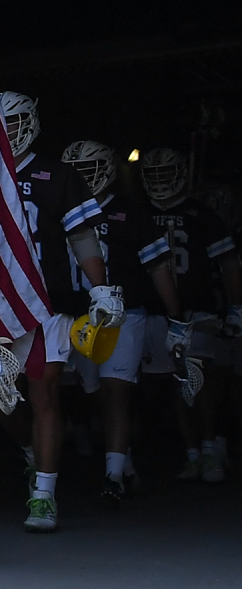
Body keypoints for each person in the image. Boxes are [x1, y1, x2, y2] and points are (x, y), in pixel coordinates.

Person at [0, 92, 123, 534]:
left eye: (13, 122)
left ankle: (44, 494)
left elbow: (83, 236)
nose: (6, 131)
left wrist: (100, 286)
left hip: (47, 299)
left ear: (29, 124)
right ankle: (33, 456)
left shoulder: (57, 175)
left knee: (44, 391)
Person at [60, 140, 181, 507]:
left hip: (125, 312)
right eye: (76, 170)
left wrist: (177, 317)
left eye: (90, 168)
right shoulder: (57, 208)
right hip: (78, 314)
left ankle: (112, 475)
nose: (83, 177)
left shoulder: (131, 213)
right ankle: (121, 455)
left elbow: (158, 266)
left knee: (117, 390)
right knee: (92, 389)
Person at [136, 147, 242, 484]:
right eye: (153, 174)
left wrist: (236, 307)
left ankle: (209, 447)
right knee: (175, 382)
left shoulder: (202, 214)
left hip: (196, 307)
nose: (160, 180)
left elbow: (228, 263)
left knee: (202, 377)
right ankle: (192, 451)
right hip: (152, 311)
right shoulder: (138, 215)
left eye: (165, 173)